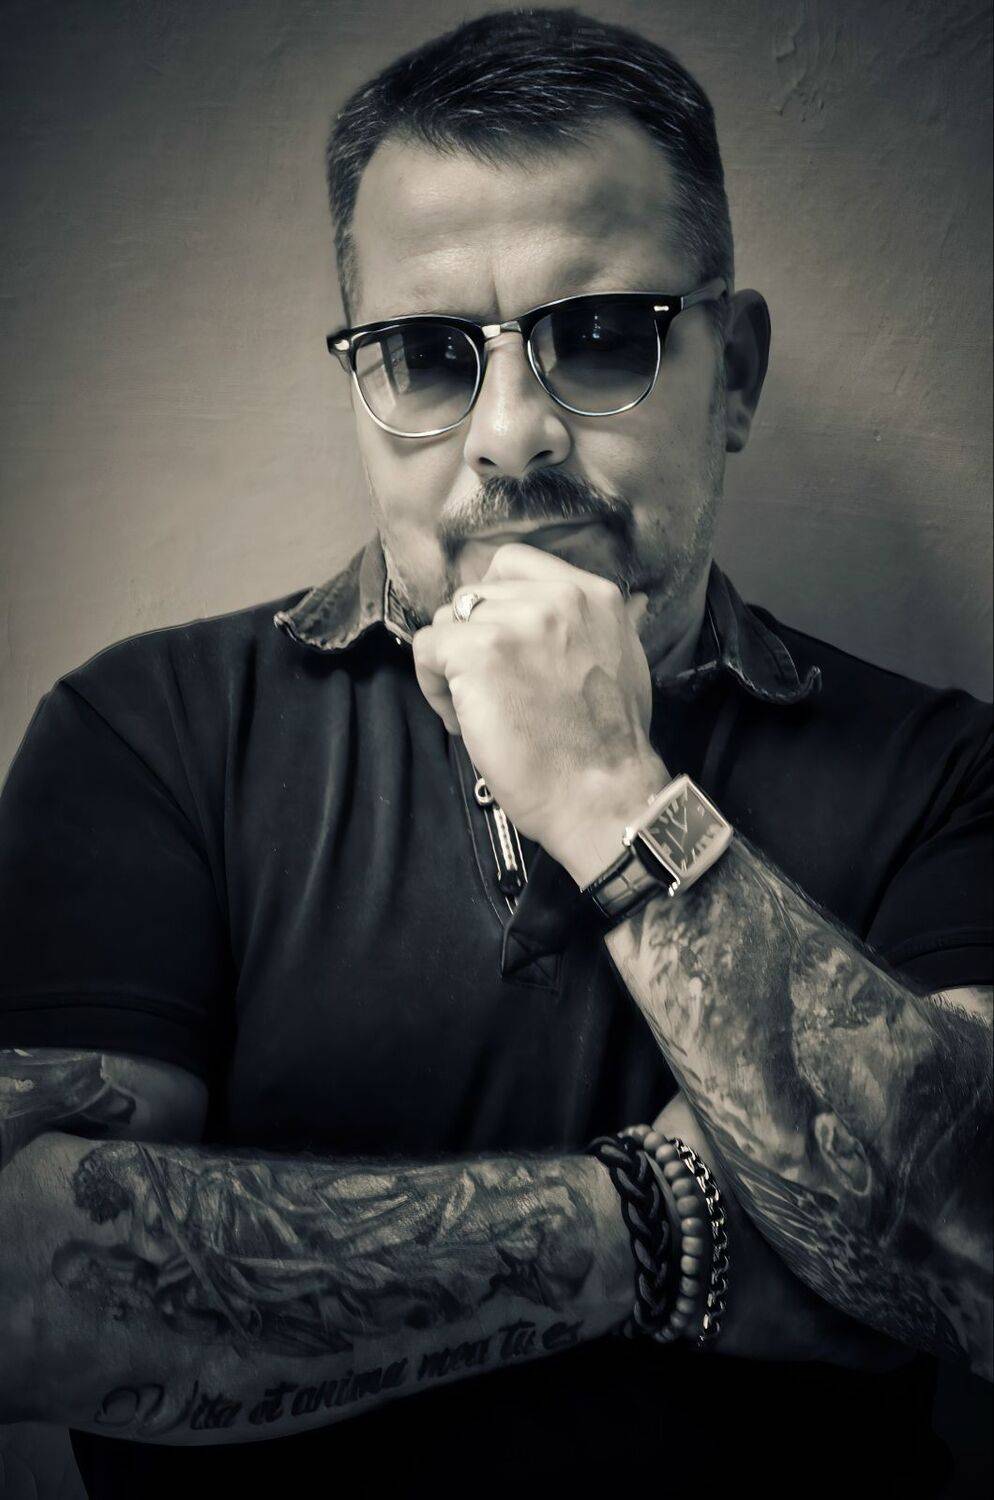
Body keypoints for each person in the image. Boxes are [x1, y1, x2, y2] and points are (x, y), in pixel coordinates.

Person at [0, 8, 990, 1497]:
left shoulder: (941, 769)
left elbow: (975, 1255)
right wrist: (661, 1226)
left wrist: (610, 797)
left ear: (734, 374)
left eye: (601, 336)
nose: (512, 436)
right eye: (424, 355)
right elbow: (34, 1292)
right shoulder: (146, 732)